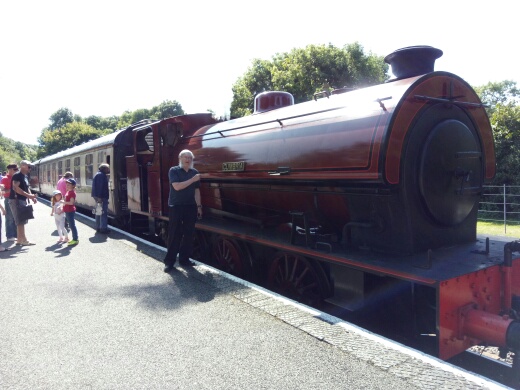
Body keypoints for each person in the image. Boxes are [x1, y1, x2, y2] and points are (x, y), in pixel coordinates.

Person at [163, 149, 203, 272]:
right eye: (185, 157)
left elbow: (196, 191)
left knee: (189, 234)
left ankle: (184, 259)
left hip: (190, 206)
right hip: (176, 206)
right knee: (175, 234)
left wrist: (199, 206)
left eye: (190, 158)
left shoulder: (194, 172)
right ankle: (169, 262)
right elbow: (177, 187)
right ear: (180, 158)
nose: (188, 160)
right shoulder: (174, 170)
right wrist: (192, 180)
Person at [9, 160, 37, 246]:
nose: (30, 169)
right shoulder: (17, 176)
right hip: (16, 200)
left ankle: (19, 240)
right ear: (23, 166)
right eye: (29, 167)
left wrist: (31, 196)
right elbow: (16, 188)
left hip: (22, 200)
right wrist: (29, 196)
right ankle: (24, 240)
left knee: (21, 220)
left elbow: (26, 187)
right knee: (20, 220)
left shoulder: (24, 176)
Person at [91, 163, 110, 234]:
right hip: (101, 197)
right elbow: (99, 187)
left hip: (99, 196)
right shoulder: (101, 175)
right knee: (103, 212)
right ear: (104, 169)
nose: (108, 170)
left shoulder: (98, 174)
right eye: (107, 168)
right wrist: (99, 197)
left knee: (99, 211)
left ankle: (98, 227)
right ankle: (103, 228)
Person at [1, 164, 18, 241]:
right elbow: (2, 192)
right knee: (9, 218)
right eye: (15, 169)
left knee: (16, 218)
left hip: (16, 199)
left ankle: (16, 235)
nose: (17, 171)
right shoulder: (4, 179)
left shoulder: (16, 177)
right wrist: (12, 190)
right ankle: (10, 236)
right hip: (8, 199)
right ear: (11, 170)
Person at [63, 178, 79, 246]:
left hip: (70, 211)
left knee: (72, 225)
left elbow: (71, 203)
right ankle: (74, 239)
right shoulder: (68, 192)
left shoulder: (72, 193)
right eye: (67, 184)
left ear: (73, 186)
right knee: (71, 225)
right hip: (67, 210)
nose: (67, 185)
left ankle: (75, 239)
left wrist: (64, 202)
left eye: (69, 184)